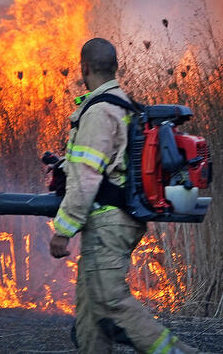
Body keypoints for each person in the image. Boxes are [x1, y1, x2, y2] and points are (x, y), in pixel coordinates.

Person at [50, 38, 197, 354]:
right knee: (91, 314)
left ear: (84, 68)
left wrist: (63, 231)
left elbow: (86, 178)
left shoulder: (99, 111)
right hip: (115, 219)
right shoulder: (124, 105)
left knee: (110, 302)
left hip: (108, 222)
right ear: (116, 68)